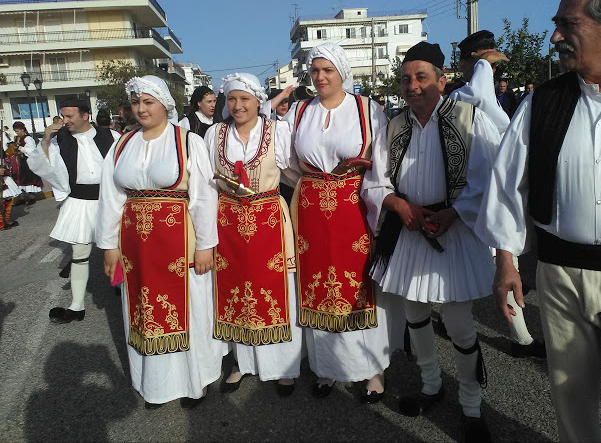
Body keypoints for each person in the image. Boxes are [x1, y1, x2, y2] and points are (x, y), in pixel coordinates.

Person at [476, 0, 601, 441]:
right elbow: (508, 187)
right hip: (562, 275)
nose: (554, 36)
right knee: (571, 396)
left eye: (568, 25)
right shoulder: (543, 102)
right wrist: (505, 261)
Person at [362, 42, 500, 440]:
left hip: (453, 229)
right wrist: (396, 204)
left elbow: (488, 179)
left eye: (422, 77)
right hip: (409, 230)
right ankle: (430, 386)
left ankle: (472, 407)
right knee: (415, 315)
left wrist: (454, 213)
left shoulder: (470, 118)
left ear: (442, 80)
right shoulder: (394, 125)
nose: (413, 86)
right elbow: (376, 180)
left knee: (458, 325)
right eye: (406, 79)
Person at [96, 75, 225, 409]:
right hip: (136, 246)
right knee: (142, 309)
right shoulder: (122, 144)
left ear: (164, 104)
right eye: (137, 102)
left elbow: (203, 198)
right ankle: (155, 385)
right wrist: (109, 246)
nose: (141, 109)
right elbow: (110, 198)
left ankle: (193, 383)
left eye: (148, 102)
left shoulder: (186, 142)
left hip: (178, 243)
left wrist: (206, 243)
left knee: (190, 310)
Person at [285, 42, 400, 403]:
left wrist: (379, 211)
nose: (320, 77)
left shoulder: (368, 110)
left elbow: (381, 164)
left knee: (361, 284)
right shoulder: (300, 111)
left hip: (355, 208)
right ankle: (327, 368)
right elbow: (286, 159)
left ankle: (373, 369)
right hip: (312, 211)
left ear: (342, 72)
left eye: (327, 70)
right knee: (317, 284)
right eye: (315, 71)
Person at [450, 30, 546, 359]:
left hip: (494, 197)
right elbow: (476, 91)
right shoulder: (461, 97)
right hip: (470, 199)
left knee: (504, 264)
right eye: (487, 65)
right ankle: (518, 339)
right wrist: (483, 65)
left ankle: (520, 337)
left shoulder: (485, 102)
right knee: (486, 266)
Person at [204, 73, 302, 396]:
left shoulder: (277, 131)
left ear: (259, 101)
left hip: (268, 220)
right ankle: (241, 362)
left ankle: (282, 366)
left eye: (244, 99)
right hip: (229, 222)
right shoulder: (215, 134)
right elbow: (206, 185)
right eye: (231, 99)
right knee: (235, 291)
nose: (237, 105)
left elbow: (294, 172)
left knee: (275, 290)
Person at [27, 99, 120, 323]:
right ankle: (77, 307)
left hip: (110, 199)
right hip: (79, 200)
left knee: (120, 249)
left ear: (85, 116)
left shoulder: (112, 137)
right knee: (79, 255)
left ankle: (122, 287)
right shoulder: (59, 141)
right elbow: (44, 167)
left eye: (69, 116)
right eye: (63, 116)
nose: (64, 121)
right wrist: (46, 141)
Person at [11, 121, 43, 205]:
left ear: (22, 130)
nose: (17, 133)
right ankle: (22, 198)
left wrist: (22, 149)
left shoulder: (28, 138)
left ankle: (31, 197)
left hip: (27, 162)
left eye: (18, 131)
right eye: (15, 131)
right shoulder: (17, 138)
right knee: (19, 179)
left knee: (28, 178)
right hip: (19, 162)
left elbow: (32, 150)